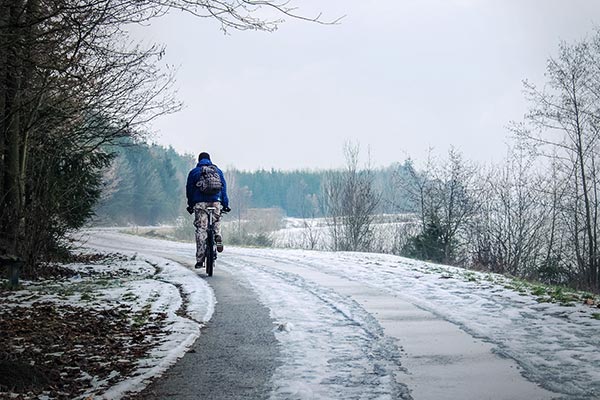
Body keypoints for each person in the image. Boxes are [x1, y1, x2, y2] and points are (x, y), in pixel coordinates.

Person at [186, 152, 231, 268]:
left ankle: (200, 260)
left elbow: (189, 190)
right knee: (216, 220)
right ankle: (217, 235)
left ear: (199, 160)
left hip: (200, 204)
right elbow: (223, 188)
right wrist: (225, 204)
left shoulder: (194, 172)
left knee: (201, 229)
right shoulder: (218, 171)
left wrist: (191, 204)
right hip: (216, 201)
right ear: (210, 160)